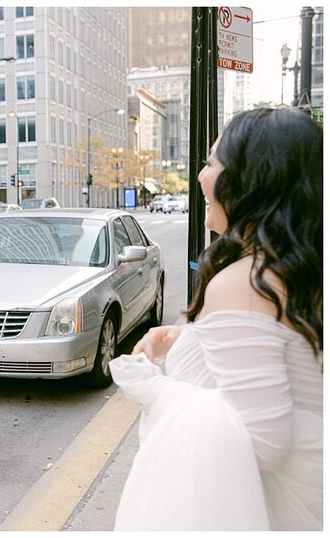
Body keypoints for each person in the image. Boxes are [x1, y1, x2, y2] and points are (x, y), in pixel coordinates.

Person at [109, 108, 322, 531]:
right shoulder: (295, 269)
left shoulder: (246, 282)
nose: (202, 177)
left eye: (209, 162)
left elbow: (262, 442)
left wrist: (158, 391)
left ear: (250, 179)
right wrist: (186, 335)